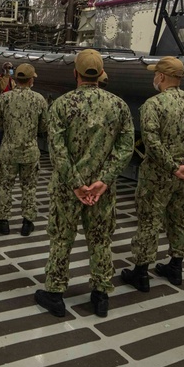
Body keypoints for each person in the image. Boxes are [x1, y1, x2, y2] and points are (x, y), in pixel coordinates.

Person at [36, 50, 135, 319]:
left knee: (61, 238)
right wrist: (103, 181)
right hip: (102, 191)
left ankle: (55, 293)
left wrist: (77, 184)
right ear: (101, 73)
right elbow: (126, 148)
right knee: (101, 239)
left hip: (68, 189)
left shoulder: (61, 105)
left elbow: (56, 150)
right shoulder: (119, 106)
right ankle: (101, 295)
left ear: (75, 74)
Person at [123, 56, 184, 292]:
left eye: (156, 74)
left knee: (149, 221)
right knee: (179, 219)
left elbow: (151, 143)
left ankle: (141, 273)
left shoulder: (153, 105)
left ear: (162, 76)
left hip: (157, 176)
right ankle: (175, 267)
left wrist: (173, 167)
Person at [0, 63, 47, 236]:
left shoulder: (4, 98)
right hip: (30, 152)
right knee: (29, 187)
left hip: (8, 151)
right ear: (30, 80)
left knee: (5, 187)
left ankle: (3, 221)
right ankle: (27, 223)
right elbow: (44, 126)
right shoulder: (39, 99)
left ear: (15, 79)